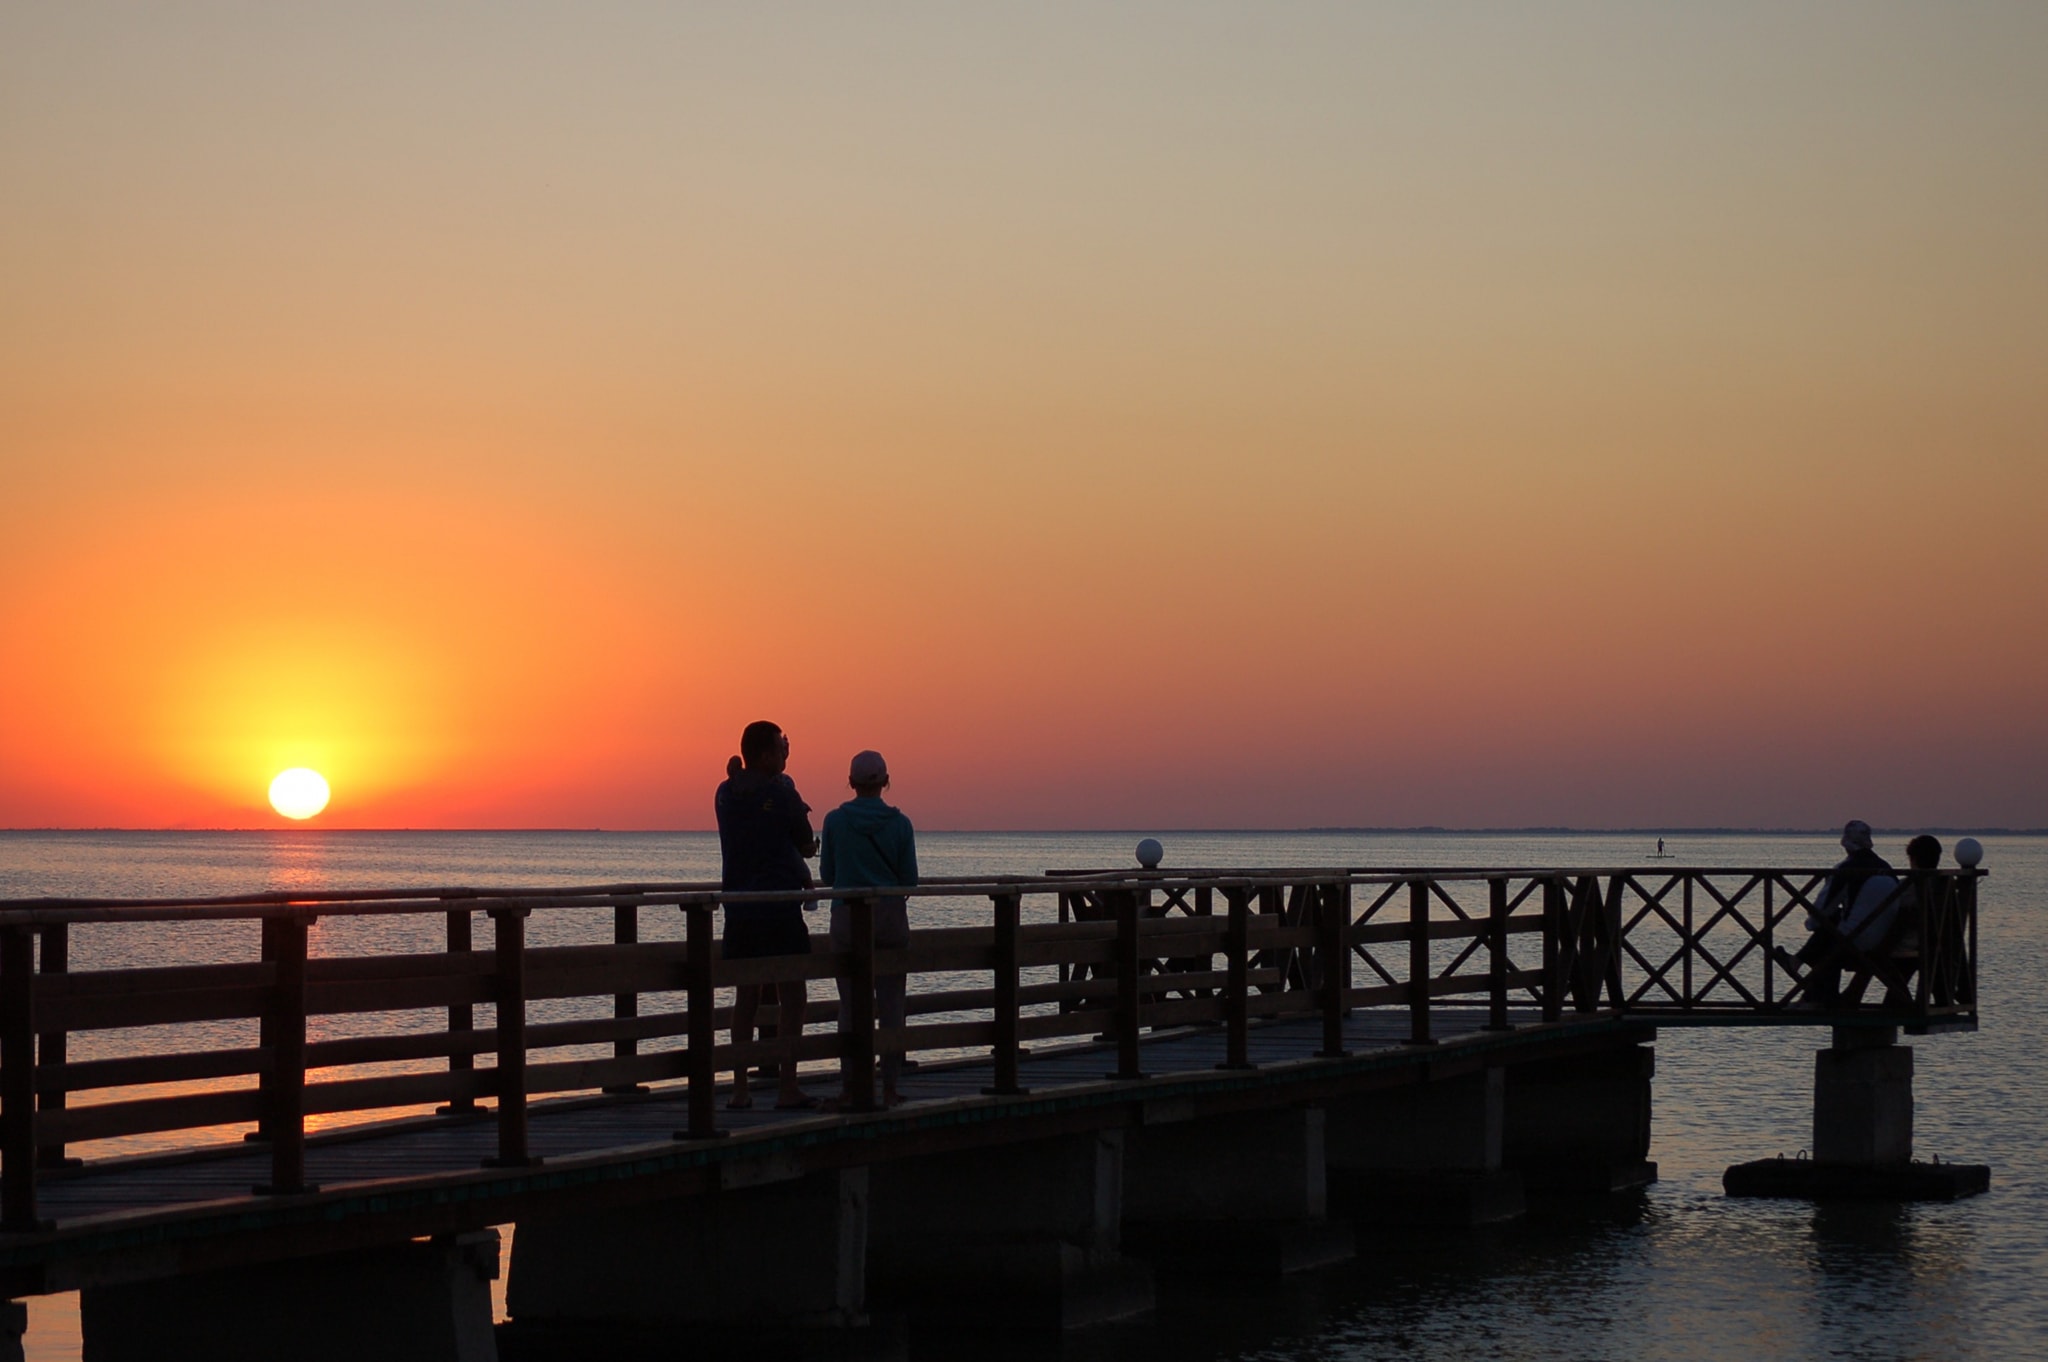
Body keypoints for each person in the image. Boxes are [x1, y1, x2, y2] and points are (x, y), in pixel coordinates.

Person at [714, 720, 820, 1109]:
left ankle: (740, 1090)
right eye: (781, 749)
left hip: (739, 909)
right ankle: (786, 1087)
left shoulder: (725, 794)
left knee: (747, 997)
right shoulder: (783, 793)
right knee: (794, 996)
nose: (786, 754)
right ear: (765, 755)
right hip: (779, 909)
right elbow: (806, 844)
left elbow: (743, 791)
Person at [819, 749, 918, 1107]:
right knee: (892, 1002)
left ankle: (851, 1084)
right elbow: (910, 879)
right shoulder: (901, 824)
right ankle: (890, 1085)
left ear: (851, 783)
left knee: (850, 1002)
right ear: (885, 782)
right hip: (890, 915)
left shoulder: (834, 821)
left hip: (847, 915)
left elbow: (828, 876)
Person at [1777, 820, 1896, 1008]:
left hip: (1858, 943)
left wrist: (1812, 925)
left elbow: (1819, 914)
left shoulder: (1846, 869)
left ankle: (1817, 996)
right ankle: (1810, 994)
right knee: (1834, 929)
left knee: (1828, 932)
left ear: (1846, 844)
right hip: (1887, 940)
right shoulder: (1887, 868)